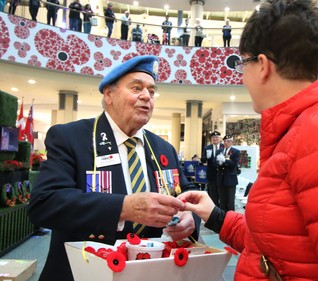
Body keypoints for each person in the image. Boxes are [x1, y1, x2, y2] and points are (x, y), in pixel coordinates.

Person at [179, 0, 318, 280]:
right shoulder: (302, 129)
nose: (243, 78)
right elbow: (279, 242)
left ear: (262, 66)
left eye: (242, 65)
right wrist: (216, 215)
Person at [28, 55, 201, 281]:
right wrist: (123, 208)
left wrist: (190, 217)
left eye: (151, 91)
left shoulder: (163, 149)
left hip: (151, 272)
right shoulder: (72, 138)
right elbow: (44, 204)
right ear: (108, 94)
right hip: (85, 271)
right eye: (136, 87)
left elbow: (186, 195)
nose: (146, 96)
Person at [216, 135, 240, 212]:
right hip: (221, 179)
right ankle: (223, 218)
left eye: (228, 141)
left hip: (230, 179)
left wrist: (225, 161)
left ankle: (231, 219)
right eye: (225, 141)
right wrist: (218, 163)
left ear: (232, 142)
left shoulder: (235, 151)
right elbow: (215, 163)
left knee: (230, 201)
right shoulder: (219, 151)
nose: (226, 143)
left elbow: (234, 164)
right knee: (222, 201)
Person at [201, 130, 224, 207]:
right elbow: (203, 160)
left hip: (222, 175)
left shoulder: (224, 147)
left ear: (219, 138)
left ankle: (222, 211)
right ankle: (214, 210)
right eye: (213, 137)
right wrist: (207, 157)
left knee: (222, 194)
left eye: (217, 137)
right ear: (211, 139)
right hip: (211, 175)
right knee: (213, 195)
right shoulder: (207, 147)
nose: (215, 139)